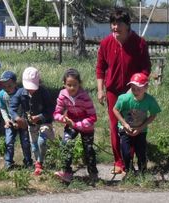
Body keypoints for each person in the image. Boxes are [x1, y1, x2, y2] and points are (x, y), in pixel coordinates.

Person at [95, 8, 151, 174]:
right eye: (113, 23)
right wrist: (100, 90)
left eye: (119, 23)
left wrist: (138, 87)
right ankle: (119, 162)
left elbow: (146, 68)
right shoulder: (105, 43)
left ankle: (131, 159)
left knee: (133, 124)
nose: (115, 27)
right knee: (115, 126)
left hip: (133, 92)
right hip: (113, 90)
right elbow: (100, 68)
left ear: (127, 25)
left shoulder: (139, 43)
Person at [53, 68, 98, 183]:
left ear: (80, 84)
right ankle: (67, 172)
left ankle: (93, 174)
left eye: (75, 85)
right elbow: (56, 113)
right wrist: (64, 119)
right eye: (69, 85)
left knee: (88, 149)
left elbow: (93, 117)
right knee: (66, 144)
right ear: (64, 84)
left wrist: (77, 124)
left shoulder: (84, 96)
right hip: (71, 122)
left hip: (86, 125)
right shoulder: (63, 95)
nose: (72, 88)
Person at [10, 67, 54, 175]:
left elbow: (50, 109)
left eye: (33, 87)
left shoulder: (43, 92)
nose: (31, 90)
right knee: (34, 146)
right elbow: (12, 107)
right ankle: (38, 163)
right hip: (31, 124)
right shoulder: (21, 93)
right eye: (28, 87)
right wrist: (17, 118)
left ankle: (40, 161)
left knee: (41, 141)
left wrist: (39, 117)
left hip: (44, 122)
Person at [112, 73, 160, 174]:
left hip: (141, 130)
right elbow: (115, 110)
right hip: (125, 129)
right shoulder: (124, 98)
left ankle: (142, 172)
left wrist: (141, 127)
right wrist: (124, 124)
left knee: (141, 152)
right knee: (126, 152)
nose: (136, 91)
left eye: (139, 89)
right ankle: (129, 172)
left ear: (146, 87)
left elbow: (153, 114)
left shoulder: (149, 100)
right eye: (133, 88)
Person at [0, 71, 33, 169]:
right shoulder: (2, 94)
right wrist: (6, 120)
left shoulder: (21, 93)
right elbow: (2, 108)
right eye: (4, 86)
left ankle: (28, 161)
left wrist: (20, 121)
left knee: (25, 142)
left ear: (15, 83)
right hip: (10, 122)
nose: (6, 88)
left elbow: (25, 108)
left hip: (21, 121)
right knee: (9, 142)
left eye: (9, 86)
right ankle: (9, 162)